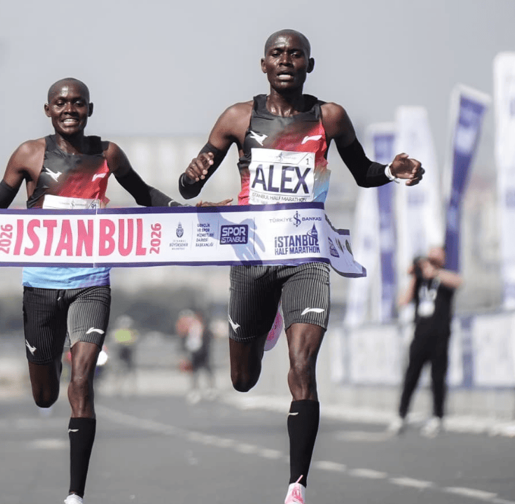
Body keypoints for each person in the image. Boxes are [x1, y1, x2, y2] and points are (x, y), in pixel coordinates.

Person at [177, 29, 424, 504]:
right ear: (263, 64)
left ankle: (297, 485)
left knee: (302, 365)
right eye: (277, 53)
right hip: (252, 255)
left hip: (307, 254)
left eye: (296, 54)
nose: (286, 60)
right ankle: (265, 320)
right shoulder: (238, 118)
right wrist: (192, 178)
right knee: (242, 379)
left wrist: (392, 171)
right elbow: (191, 185)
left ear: (309, 65)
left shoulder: (330, 117)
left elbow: (364, 172)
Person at [0, 78, 198, 504]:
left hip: (91, 284)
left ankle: (75, 494)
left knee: (82, 380)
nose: (70, 109)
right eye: (61, 103)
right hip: (40, 286)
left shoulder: (107, 154)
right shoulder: (28, 155)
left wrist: (185, 213)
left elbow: (145, 194)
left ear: (90, 110)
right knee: (44, 395)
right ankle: (48, 367)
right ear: (48, 110)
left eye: (77, 103)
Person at [389, 246, 462, 437]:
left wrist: (435, 272)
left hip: (440, 336)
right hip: (420, 336)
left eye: (437, 253)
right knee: (411, 377)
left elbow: (458, 282)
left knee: (438, 378)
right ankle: (401, 415)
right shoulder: (420, 280)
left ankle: (438, 417)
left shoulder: (444, 278)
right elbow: (403, 301)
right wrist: (415, 275)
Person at [110, 315, 138, 396]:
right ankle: (117, 389)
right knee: (119, 372)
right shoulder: (116, 332)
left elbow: (134, 342)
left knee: (130, 372)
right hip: (120, 354)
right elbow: (114, 343)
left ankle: (131, 389)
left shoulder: (132, 332)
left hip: (128, 354)